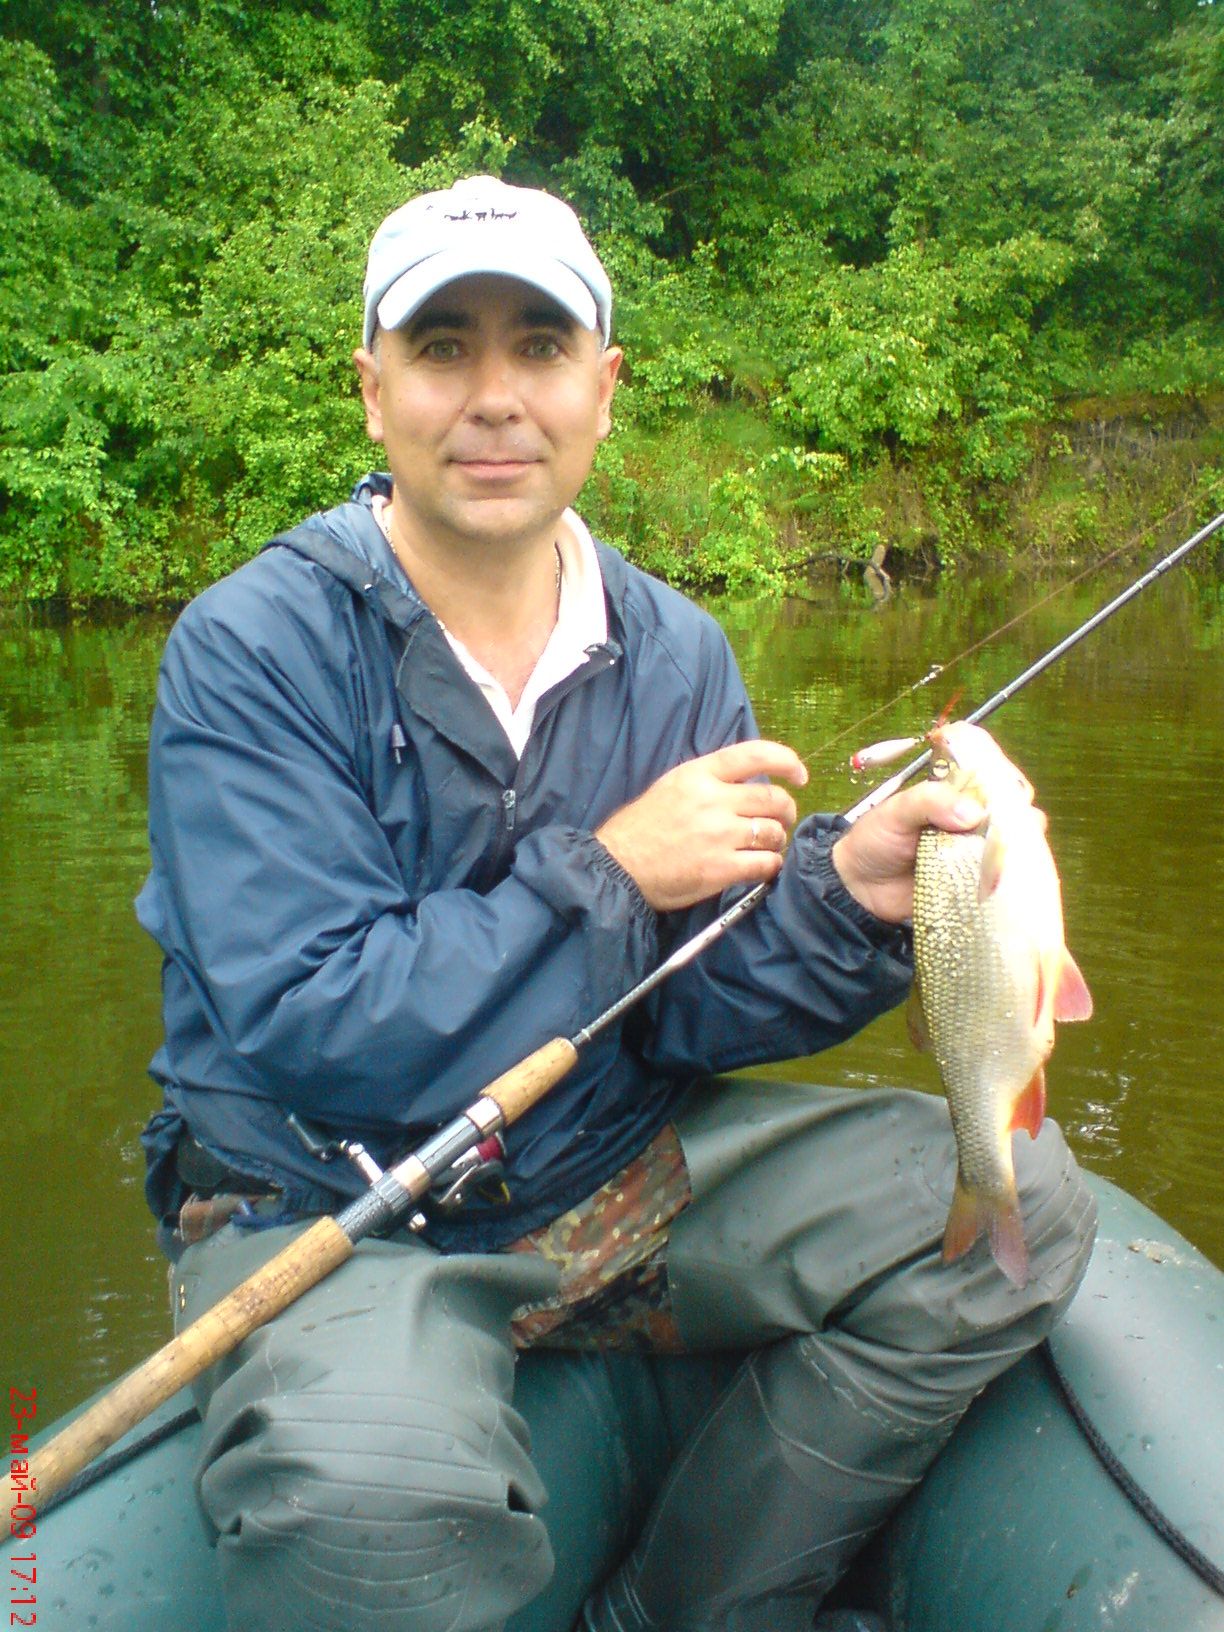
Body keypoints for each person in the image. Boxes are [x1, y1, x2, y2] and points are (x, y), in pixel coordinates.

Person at [137, 174, 1096, 1632]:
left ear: (604, 385)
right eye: (443, 347)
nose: (494, 396)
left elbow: (690, 1004)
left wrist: (845, 900)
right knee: (366, 1512)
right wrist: (612, 869)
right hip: (336, 1201)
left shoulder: (679, 651)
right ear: (374, 391)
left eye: (539, 346)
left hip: (606, 1164)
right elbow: (319, 1022)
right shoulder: (251, 650)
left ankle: (670, 1607)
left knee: (1023, 1219)